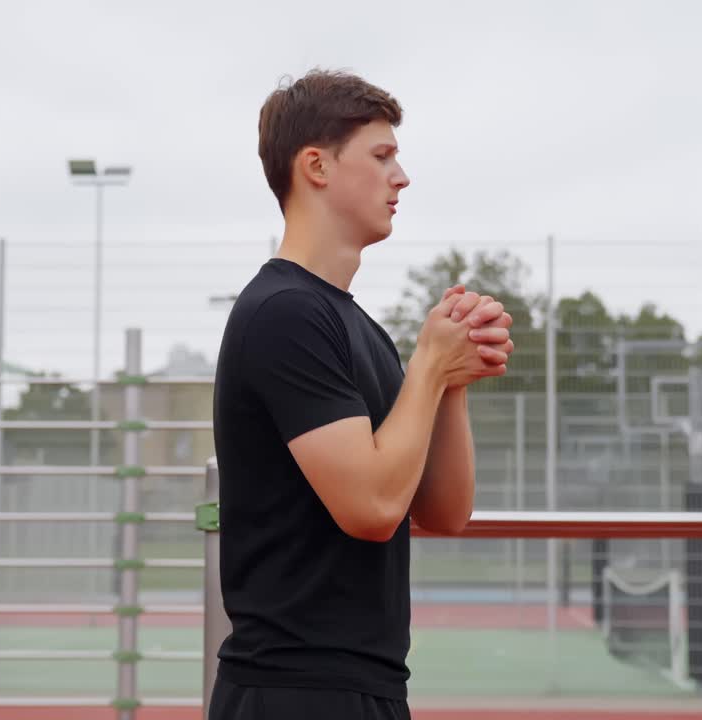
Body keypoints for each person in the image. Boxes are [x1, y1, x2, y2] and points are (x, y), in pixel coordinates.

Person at [209, 69, 516, 720]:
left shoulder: (355, 325)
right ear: (316, 165)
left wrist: (452, 375)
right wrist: (430, 365)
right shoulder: (284, 313)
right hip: (292, 693)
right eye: (381, 156)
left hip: (366, 689)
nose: (400, 177)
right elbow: (372, 507)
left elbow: (442, 511)